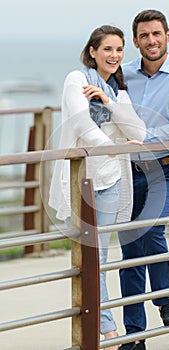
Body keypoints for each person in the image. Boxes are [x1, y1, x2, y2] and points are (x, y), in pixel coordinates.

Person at [48, 25, 146, 350]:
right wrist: (113, 146)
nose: (114, 55)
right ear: (92, 51)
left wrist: (108, 100)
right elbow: (81, 122)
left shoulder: (118, 90)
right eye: (107, 49)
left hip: (109, 181)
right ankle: (105, 330)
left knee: (100, 256)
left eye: (119, 50)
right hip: (80, 183)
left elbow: (138, 131)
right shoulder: (76, 80)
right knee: (91, 257)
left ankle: (105, 332)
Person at [117, 9, 169, 350]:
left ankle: (164, 299)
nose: (151, 40)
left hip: (166, 168)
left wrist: (139, 135)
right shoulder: (122, 76)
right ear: (135, 41)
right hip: (127, 172)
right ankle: (134, 336)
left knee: (152, 228)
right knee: (130, 252)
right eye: (144, 36)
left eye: (157, 33)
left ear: (168, 35)